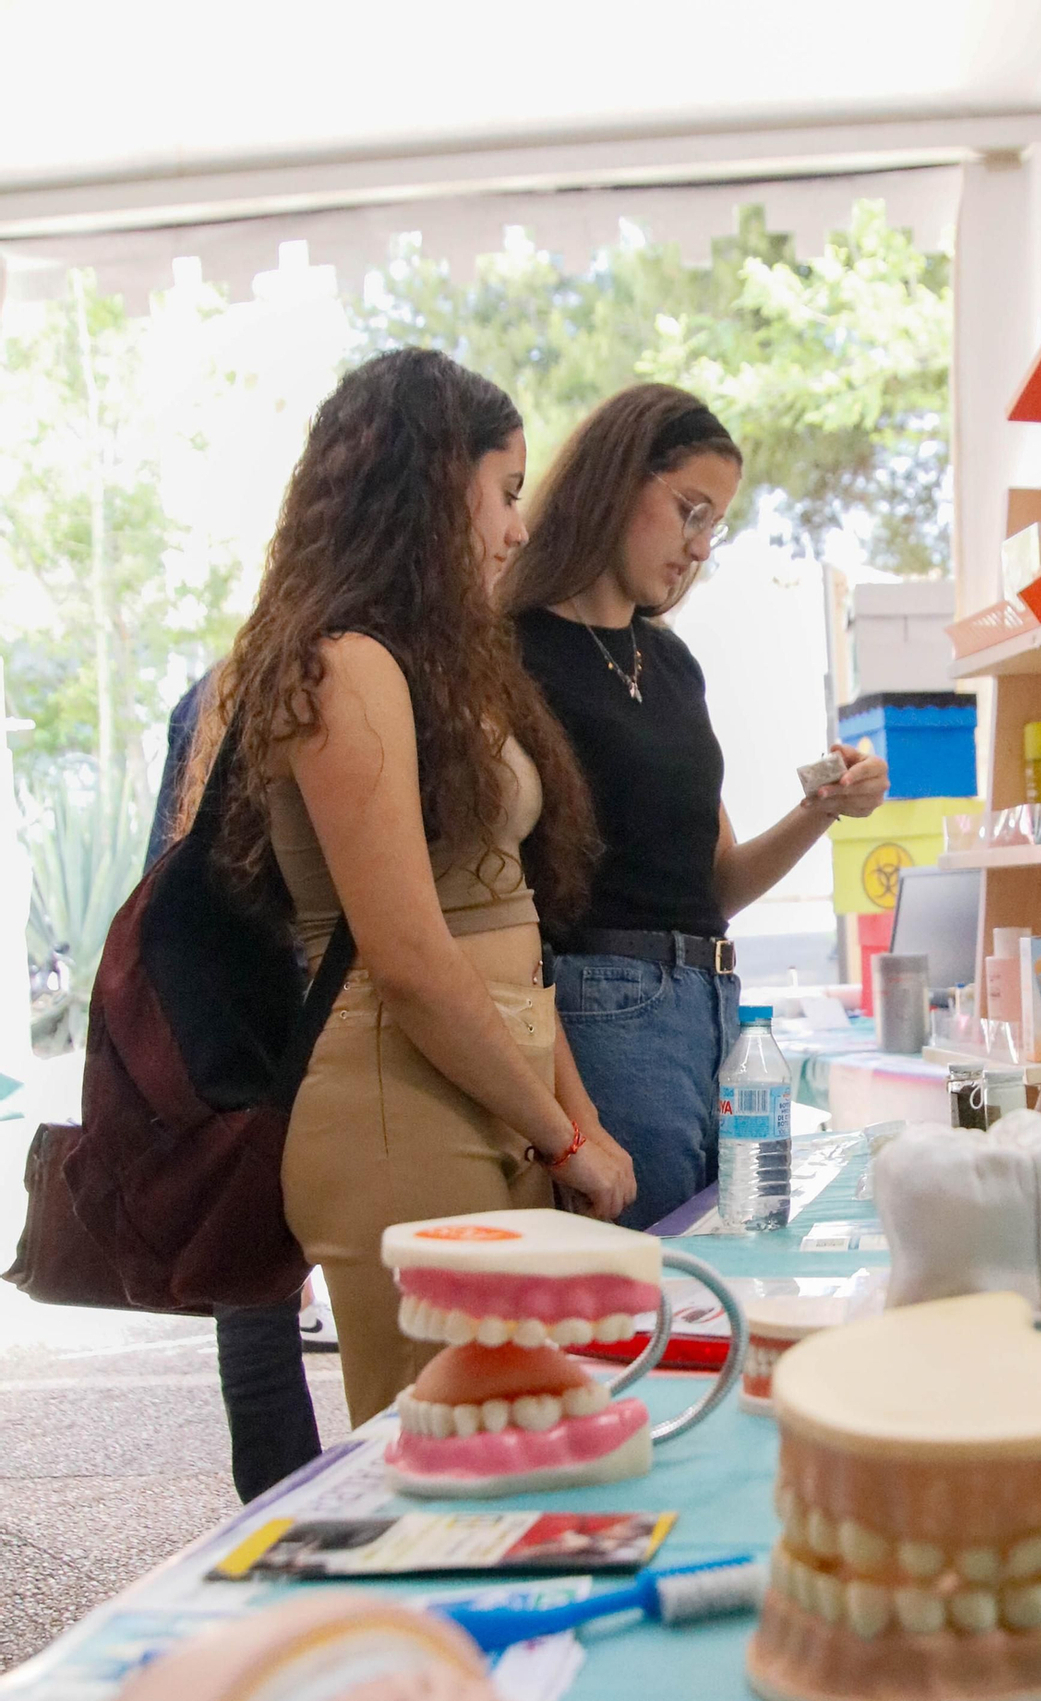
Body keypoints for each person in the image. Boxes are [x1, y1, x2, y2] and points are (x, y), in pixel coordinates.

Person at [186, 349, 634, 1427]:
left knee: (520, 1443)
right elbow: (411, 958)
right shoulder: (343, 667)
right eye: (506, 493)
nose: (518, 528)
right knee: (438, 1463)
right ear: (436, 490)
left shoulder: (432, 667)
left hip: (491, 1097)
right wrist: (565, 1136)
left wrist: (569, 1118)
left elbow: (506, 934)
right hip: (403, 1103)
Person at [503, 384, 888, 1231]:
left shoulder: (669, 664)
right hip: (598, 1008)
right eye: (690, 511)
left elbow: (711, 886)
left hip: (714, 1011)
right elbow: (499, 910)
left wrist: (822, 810)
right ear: (616, 481)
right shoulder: (513, 654)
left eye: (714, 526)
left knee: (724, 1273)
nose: (699, 547)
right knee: (653, 1292)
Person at [147, 675, 324, 1504]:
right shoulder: (375, 672)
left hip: (243, 1038)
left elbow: (168, 883)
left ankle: (285, 1529)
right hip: (336, 1016)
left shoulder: (219, 692)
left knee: (255, 1305)